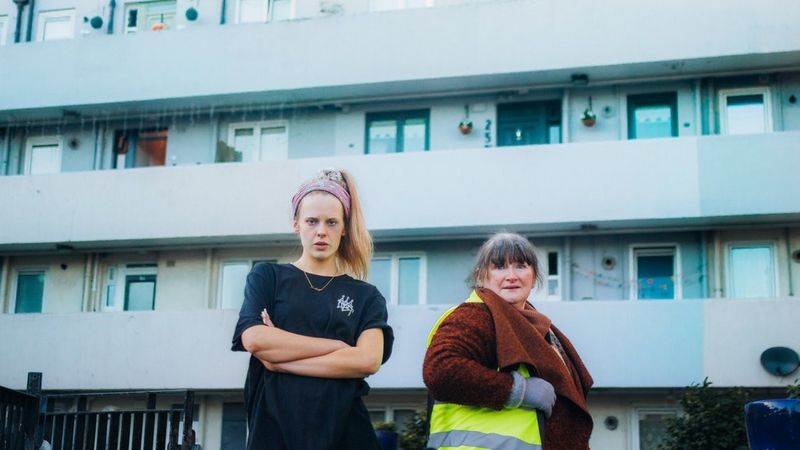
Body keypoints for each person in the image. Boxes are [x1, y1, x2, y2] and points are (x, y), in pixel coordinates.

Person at [231, 169, 394, 450]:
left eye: (332, 222)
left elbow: (368, 360)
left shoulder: (366, 295)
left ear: (344, 228)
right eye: (311, 221)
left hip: (346, 434)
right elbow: (256, 339)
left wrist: (279, 361)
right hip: (274, 432)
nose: (321, 231)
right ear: (296, 224)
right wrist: (337, 346)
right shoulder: (267, 277)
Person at [423, 232, 593, 450]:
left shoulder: (541, 327)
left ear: (534, 277)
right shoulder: (473, 315)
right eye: (499, 266)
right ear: (481, 276)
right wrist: (519, 390)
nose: (511, 275)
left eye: (521, 266)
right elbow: (441, 372)